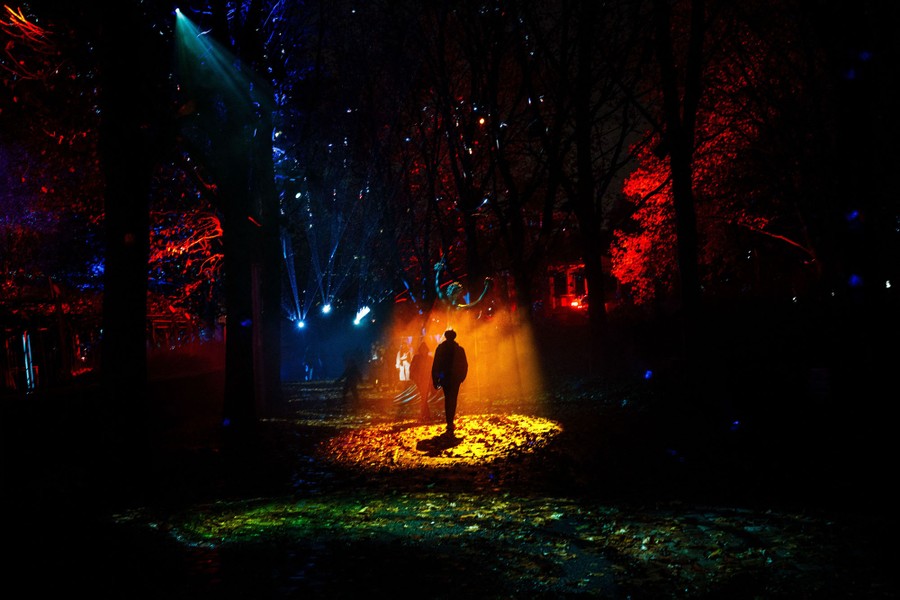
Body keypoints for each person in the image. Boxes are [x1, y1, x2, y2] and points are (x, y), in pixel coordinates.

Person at [431, 329, 468, 436]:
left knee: (448, 398)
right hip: (455, 378)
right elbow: (464, 365)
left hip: (445, 378)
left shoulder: (440, 349)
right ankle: (450, 421)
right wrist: (461, 377)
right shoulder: (459, 349)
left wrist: (436, 378)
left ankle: (449, 421)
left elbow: (436, 364)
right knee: (453, 398)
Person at [409, 341, 433, 422]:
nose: (424, 351)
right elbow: (412, 368)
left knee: (424, 397)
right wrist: (414, 377)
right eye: (422, 349)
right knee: (423, 397)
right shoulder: (416, 358)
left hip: (427, 380)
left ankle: (425, 415)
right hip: (420, 380)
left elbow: (433, 369)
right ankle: (425, 415)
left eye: (425, 349)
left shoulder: (429, 359)